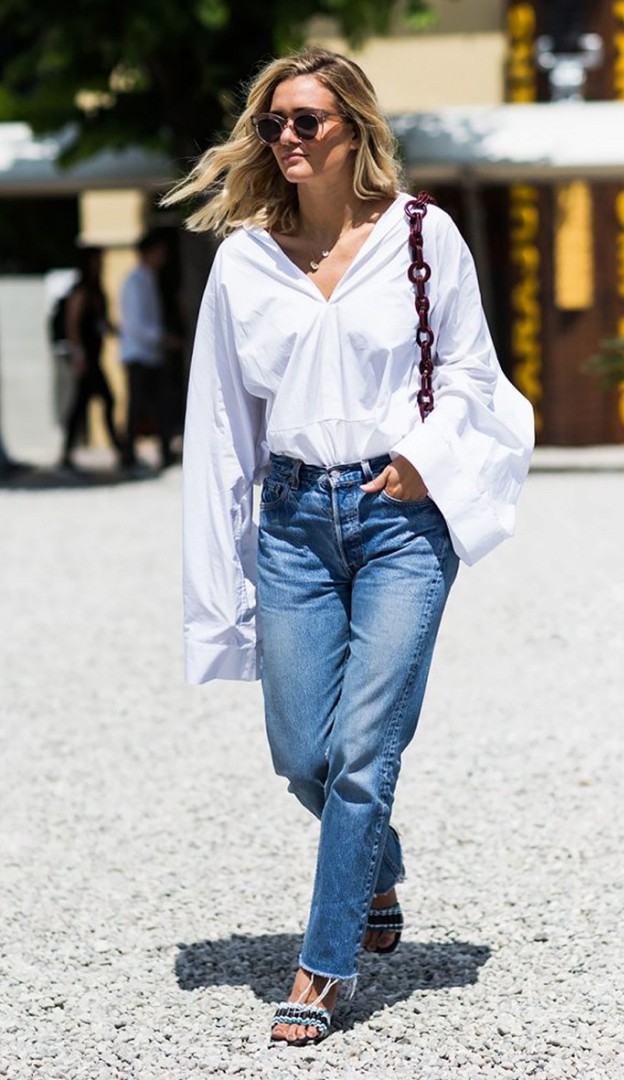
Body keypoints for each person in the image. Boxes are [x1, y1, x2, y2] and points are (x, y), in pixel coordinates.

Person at [167, 46, 534, 1046]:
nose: (286, 136)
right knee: (303, 752)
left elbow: (471, 372)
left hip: (401, 519)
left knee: (365, 751)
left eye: (307, 120)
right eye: (274, 121)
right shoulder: (244, 260)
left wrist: (425, 458)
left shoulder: (422, 235)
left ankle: (324, 967)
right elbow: (221, 425)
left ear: (354, 129)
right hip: (292, 522)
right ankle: (378, 865)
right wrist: (220, 580)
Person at [119, 231, 180, 469]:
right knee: (138, 407)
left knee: (159, 405)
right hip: (139, 353)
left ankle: (161, 450)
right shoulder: (135, 281)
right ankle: (129, 454)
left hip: (151, 354)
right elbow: (136, 323)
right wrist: (162, 338)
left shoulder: (150, 279)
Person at [59, 247, 121, 470]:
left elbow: (102, 322)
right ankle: (118, 449)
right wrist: (79, 355)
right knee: (90, 404)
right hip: (86, 359)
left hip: (95, 357)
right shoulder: (81, 291)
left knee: (92, 403)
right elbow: (72, 325)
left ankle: (116, 448)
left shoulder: (97, 290)